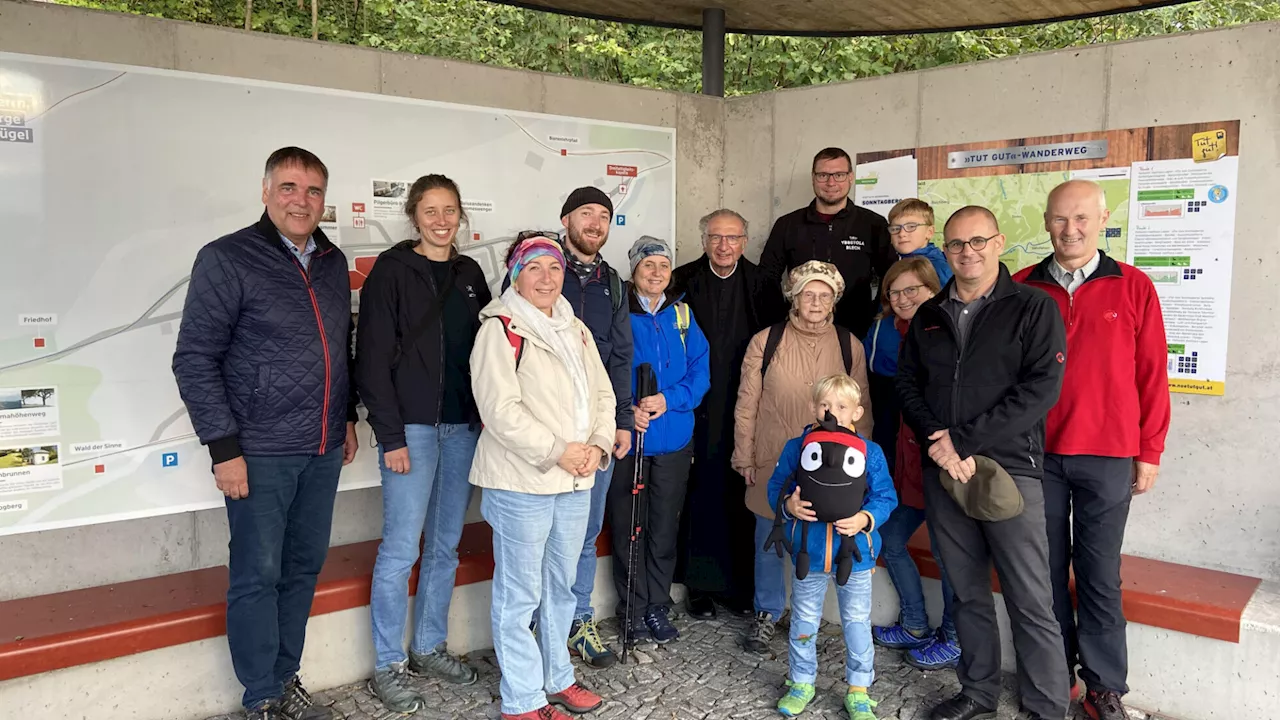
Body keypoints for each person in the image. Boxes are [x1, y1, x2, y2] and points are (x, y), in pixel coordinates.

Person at [172, 147, 358, 720]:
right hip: (259, 452)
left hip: (322, 447)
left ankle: (285, 676)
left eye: (313, 191)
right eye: (289, 188)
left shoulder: (330, 259)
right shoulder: (227, 258)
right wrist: (223, 449)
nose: (301, 201)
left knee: (303, 567)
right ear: (265, 191)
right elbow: (194, 359)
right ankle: (261, 697)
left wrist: (346, 417)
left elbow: (337, 349)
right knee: (258, 574)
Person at [896, 206, 1069, 720]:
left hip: (1010, 470)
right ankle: (976, 693)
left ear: (999, 243)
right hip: (944, 471)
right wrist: (939, 441)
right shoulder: (928, 315)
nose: (967, 252)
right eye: (956, 244)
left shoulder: (1034, 308)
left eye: (978, 241)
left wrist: (963, 442)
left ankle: (1047, 706)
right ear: (943, 250)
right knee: (966, 592)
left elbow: (1040, 390)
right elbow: (907, 385)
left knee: (1030, 599)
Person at [1013, 180, 1171, 720]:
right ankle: (1055, 677)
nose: (1070, 230)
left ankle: (1105, 686)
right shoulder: (1021, 287)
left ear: (1103, 219)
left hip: (1109, 455)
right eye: (1059, 219)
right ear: (1045, 220)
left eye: (1082, 218)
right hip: (1037, 458)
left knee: (1100, 574)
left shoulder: (1134, 286)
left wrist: (1149, 451)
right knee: (1045, 572)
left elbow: (1152, 376)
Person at [353, 174, 492, 712]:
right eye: (430, 211)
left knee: (444, 546)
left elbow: (484, 358)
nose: (441, 220)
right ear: (414, 216)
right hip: (409, 431)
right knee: (399, 551)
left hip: (461, 431)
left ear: (461, 215)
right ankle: (388, 662)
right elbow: (370, 362)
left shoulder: (470, 272)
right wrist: (390, 436)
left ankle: (429, 645)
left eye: (450, 210)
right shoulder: (390, 271)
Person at [468, 232, 617, 720]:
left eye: (554, 269)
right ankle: (522, 699)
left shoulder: (575, 329)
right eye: (534, 268)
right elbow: (499, 410)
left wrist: (595, 446)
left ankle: (558, 679)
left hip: (575, 480)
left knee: (561, 586)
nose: (547, 278)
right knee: (519, 594)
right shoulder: (501, 329)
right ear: (516, 275)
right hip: (522, 483)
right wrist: (559, 452)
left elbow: (603, 394)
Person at [732, 260, 872, 655]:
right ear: (793, 297)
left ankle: (807, 613)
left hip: (833, 468)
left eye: (824, 295)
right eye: (808, 293)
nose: (815, 301)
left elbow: (864, 408)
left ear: (834, 301)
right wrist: (743, 452)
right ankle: (766, 613)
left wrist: (863, 465)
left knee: (818, 534)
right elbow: (747, 404)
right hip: (773, 455)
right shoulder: (766, 341)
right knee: (768, 537)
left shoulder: (849, 345)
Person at [672, 209, 785, 620]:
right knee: (699, 491)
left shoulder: (763, 285)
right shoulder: (681, 281)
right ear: (703, 241)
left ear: (745, 240)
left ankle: (740, 587)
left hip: (747, 404)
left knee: (744, 490)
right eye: (716, 238)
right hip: (695, 405)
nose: (724, 246)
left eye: (732, 238)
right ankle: (699, 586)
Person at [766, 375, 897, 720]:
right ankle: (802, 681)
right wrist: (788, 507)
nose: (832, 412)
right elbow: (776, 486)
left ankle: (858, 689)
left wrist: (866, 519)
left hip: (854, 555)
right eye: (825, 405)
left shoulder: (870, 452)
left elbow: (886, 496)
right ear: (813, 407)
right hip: (809, 551)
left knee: (855, 621)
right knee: (804, 620)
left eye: (841, 406)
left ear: (857, 411)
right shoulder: (798, 447)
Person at [607, 236, 710, 646]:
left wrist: (670, 399)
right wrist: (626, 409)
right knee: (628, 527)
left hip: (672, 440)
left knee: (663, 529)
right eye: (648, 265)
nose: (656, 272)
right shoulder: (619, 312)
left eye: (663, 266)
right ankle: (630, 608)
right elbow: (604, 369)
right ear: (634, 270)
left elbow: (701, 372)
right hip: (630, 441)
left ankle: (656, 606)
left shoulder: (681, 315)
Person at [867, 258, 961, 671]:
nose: (902, 299)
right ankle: (916, 624)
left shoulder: (945, 333)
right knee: (888, 539)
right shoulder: (900, 333)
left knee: (950, 557)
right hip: (909, 465)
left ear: (932, 288)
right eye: (895, 292)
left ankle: (955, 638)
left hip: (943, 466)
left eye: (912, 290)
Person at [556, 186, 636, 669]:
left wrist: (622, 421)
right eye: (586, 213)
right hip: (547, 429)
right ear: (565, 219)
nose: (595, 222)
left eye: (604, 215)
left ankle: (578, 619)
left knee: (586, 532)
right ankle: (540, 622)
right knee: (545, 532)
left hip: (598, 426)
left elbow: (622, 355)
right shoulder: (540, 269)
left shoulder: (615, 283)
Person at [759, 147, 895, 339]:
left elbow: (891, 277)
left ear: (850, 177)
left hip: (856, 331)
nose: (831, 182)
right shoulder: (787, 224)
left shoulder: (873, 224)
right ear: (813, 178)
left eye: (839, 175)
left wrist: (874, 314)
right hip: (799, 331)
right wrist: (782, 317)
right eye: (823, 175)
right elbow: (766, 276)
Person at [862, 199, 953, 471]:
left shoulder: (936, 268)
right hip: (884, 376)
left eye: (911, 226)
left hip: (906, 378)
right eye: (895, 228)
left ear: (930, 231)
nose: (902, 233)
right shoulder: (900, 264)